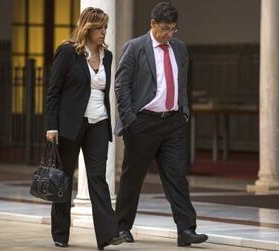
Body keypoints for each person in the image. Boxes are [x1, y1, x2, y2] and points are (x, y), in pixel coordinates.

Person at [114, 2, 208, 247]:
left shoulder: (179, 48)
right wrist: (130, 121)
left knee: (177, 177)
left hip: (173, 123)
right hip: (142, 123)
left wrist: (184, 112)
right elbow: (121, 87)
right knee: (132, 177)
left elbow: (182, 83)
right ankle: (122, 227)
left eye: (173, 29)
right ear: (152, 24)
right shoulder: (134, 48)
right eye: (165, 28)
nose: (169, 34)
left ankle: (186, 230)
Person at [45, 7, 124, 250]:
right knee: (64, 179)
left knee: (98, 178)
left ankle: (108, 235)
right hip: (70, 125)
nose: (104, 32)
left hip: (99, 123)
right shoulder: (68, 52)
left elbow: (102, 91)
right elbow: (53, 91)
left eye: (105, 28)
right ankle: (60, 233)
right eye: (99, 28)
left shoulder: (107, 56)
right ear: (87, 28)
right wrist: (51, 126)